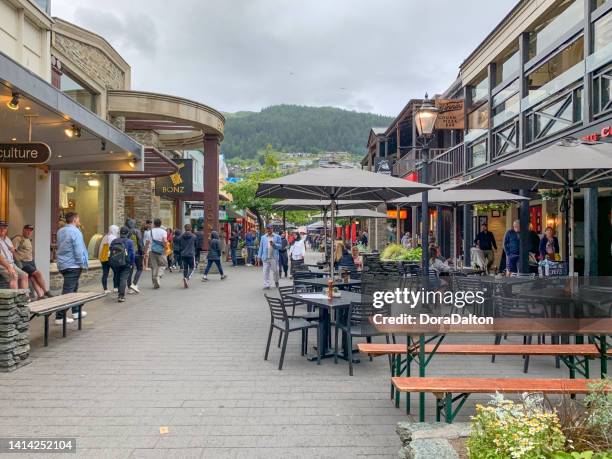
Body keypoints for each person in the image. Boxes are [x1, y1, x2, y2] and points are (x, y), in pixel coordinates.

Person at [55, 212, 89, 324]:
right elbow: (78, 250)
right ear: (74, 220)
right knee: (68, 291)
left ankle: (76, 311)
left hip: (63, 264)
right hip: (73, 264)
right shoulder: (76, 232)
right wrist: (82, 263)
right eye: (78, 220)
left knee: (74, 288)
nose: (79, 222)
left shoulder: (60, 231)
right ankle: (60, 317)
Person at [11, 224, 52, 299]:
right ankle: (46, 291)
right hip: (24, 263)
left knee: (33, 278)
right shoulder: (18, 238)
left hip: (31, 261)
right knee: (38, 273)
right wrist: (18, 259)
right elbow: (12, 250)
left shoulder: (28, 239)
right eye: (27, 230)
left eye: (30, 231)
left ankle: (40, 295)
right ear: (23, 230)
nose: (29, 232)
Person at [0, 221, 29, 291]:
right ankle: (15, 299)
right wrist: (9, 267)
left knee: (24, 275)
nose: (2, 229)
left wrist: (14, 251)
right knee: (14, 276)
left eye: (4, 228)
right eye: (0, 228)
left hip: (11, 264)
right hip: (2, 265)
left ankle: (25, 297)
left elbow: (15, 255)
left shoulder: (7, 239)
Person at [109, 226, 135, 303]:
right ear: (127, 233)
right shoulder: (130, 242)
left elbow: (110, 250)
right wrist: (131, 263)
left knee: (117, 276)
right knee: (123, 278)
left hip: (115, 262)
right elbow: (132, 254)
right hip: (126, 263)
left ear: (120, 233)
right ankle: (121, 296)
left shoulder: (114, 241)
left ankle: (117, 289)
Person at [257, 224, 281, 289]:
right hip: (265, 257)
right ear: (266, 229)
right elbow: (261, 247)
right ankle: (266, 285)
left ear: (272, 229)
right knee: (265, 271)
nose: (269, 230)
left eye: (270, 228)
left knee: (275, 271)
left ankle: (276, 281)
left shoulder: (277, 237)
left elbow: (280, 246)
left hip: (273, 257)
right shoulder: (263, 237)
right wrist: (259, 256)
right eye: (268, 229)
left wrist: (274, 244)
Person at [99, 225, 119, 293]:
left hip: (104, 256)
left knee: (105, 273)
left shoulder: (105, 237)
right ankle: (115, 287)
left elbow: (101, 248)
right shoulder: (114, 238)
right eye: (117, 230)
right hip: (111, 257)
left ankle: (105, 289)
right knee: (116, 272)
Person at [125, 219, 144, 293]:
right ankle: (134, 284)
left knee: (130, 270)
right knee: (140, 268)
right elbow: (140, 243)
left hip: (128, 253)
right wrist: (142, 252)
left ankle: (129, 288)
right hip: (137, 253)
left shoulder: (125, 232)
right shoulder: (137, 231)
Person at [149, 218, 168, 289]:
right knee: (164, 264)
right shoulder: (163, 232)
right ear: (160, 224)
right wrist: (166, 248)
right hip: (161, 250)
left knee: (154, 266)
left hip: (152, 250)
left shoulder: (150, 231)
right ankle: (159, 275)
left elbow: (148, 242)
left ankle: (154, 282)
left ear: (154, 224)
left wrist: (145, 251)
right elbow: (164, 241)